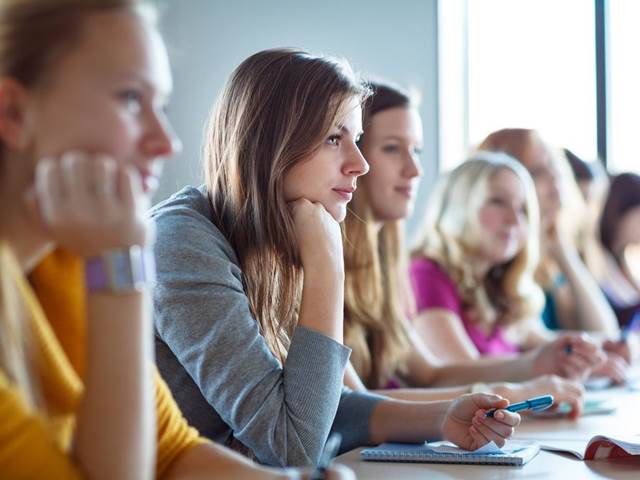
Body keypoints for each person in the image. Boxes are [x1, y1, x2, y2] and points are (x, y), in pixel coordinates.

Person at [0, 1, 352, 478]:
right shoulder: (117, 256)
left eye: (160, 105)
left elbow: (170, 451)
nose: (167, 142)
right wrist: (120, 268)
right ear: (13, 112)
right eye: (129, 99)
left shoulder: (63, 263)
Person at [151, 49, 521, 468]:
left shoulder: (267, 241)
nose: (358, 164)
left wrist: (442, 417)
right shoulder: (182, 245)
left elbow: (316, 406)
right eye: (333, 139)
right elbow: (293, 445)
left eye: (357, 140)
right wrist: (327, 263)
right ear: (271, 144)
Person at [341, 81, 585, 416]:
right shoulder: (418, 271)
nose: (415, 170)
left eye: (417, 151)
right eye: (393, 149)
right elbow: (352, 406)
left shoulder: (385, 266)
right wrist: (513, 389)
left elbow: (429, 373)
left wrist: (534, 366)